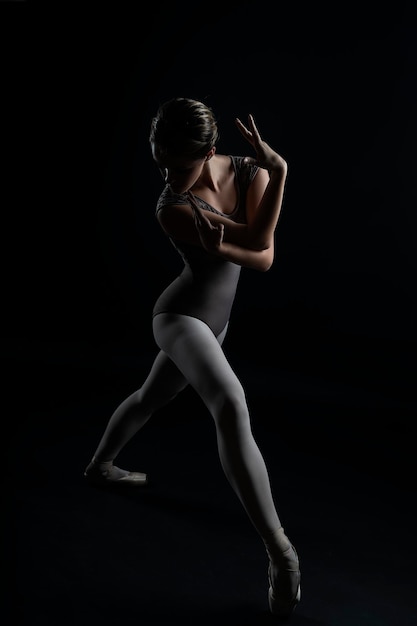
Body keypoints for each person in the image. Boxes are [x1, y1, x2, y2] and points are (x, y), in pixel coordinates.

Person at [84, 97, 301, 618]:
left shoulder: (251, 170)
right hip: (179, 317)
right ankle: (282, 554)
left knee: (151, 395)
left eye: (179, 165)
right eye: (160, 162)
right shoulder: (170, 207)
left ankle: (99, 466)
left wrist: (279, 172)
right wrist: (231, 245)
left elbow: (265, 252)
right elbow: (251, 245)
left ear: (208, 151)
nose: (168, 175)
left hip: (216, 323)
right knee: (230, 403)